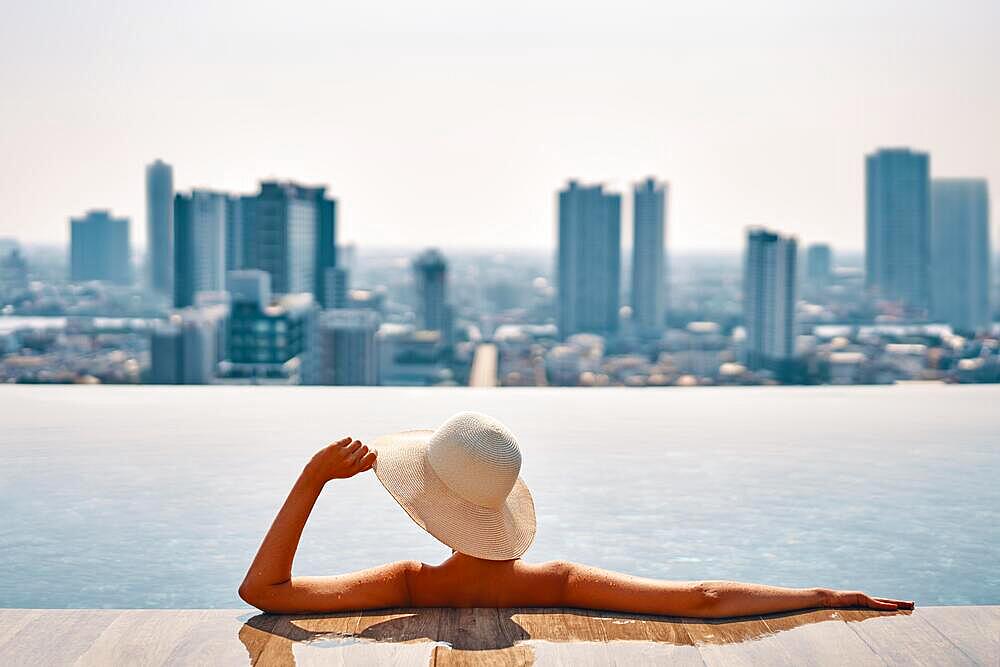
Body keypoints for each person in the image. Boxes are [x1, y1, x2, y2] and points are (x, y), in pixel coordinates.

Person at [239, 412, 913, 617]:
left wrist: (314, 478)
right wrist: (824, 595)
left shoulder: (413, 584)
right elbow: (703, 598)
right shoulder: (558, 582)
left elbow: (262, 593)